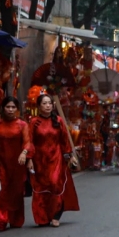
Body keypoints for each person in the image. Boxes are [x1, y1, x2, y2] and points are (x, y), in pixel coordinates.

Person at [28, 93, 80, 228]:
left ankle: (56, 214)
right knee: (41, 188)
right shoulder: (34, 122)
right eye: (44, 103)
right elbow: (30, 142)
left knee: (55, 184)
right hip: (39, 160)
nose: (47, 106)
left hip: (56, 158)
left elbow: (64, 140)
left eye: (49, 103)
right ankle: (43, 217)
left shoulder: (58, 120)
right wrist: (29, 159)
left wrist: (69, 155)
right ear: (39, 106)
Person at [0, 97, 30, 233]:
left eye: (13, 107)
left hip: (17, 163)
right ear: (3, 108)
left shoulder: (22, 125)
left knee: (16, 191)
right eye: (8, 107)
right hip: (1, 162)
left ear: (17, 109)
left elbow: (28, 142)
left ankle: (15, 219)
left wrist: (24, 153)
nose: (10, 110)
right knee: (0, 191)